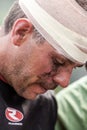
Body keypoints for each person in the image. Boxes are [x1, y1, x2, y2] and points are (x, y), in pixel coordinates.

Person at [0, 0, 87, 130]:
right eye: (58, 62)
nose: (64, 82)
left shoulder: (45, 105)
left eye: (74, 67)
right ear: (21, 32)